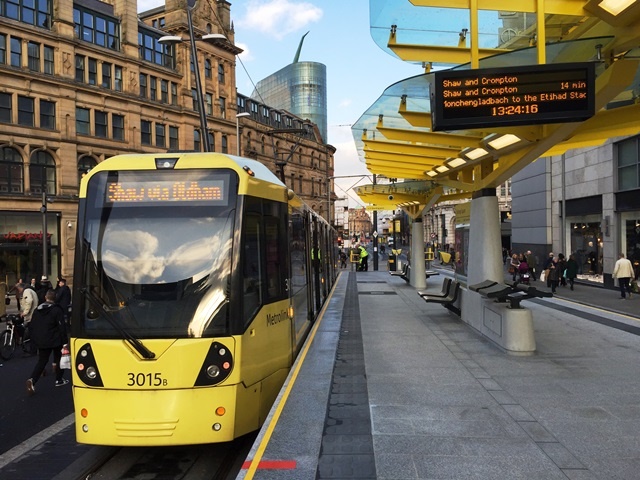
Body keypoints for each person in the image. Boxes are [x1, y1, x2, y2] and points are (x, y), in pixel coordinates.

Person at [26, 289, 69, 395]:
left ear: (45, 298)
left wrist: (34, 340)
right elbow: (61, 326)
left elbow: (33, 326)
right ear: (55, 299)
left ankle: (32, 379)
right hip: (55, 339)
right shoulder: (57, 310)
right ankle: (59, 379)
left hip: (42, 339)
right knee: (59, 358)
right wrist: (65, 342)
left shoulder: (37, 310)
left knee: (42, 361)